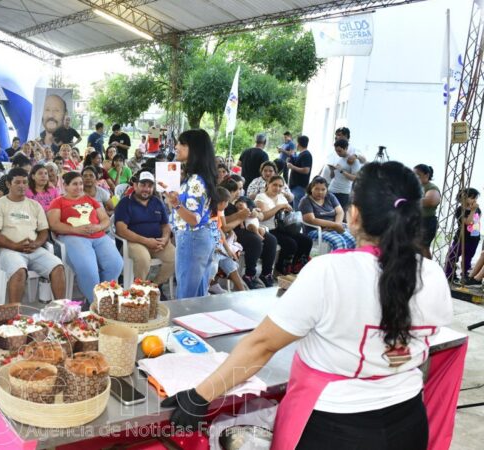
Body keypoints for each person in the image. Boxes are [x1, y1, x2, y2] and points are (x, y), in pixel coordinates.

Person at [164, 162, 452, 450]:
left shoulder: (331, 271)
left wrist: (200, 396)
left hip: (337, 429)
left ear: (354, 215)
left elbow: (261, 345)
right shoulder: (434, 275)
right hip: (409, 422)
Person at [0, 168, 66, 303]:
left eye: (24, 182)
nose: (22, 186)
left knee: (58, 267)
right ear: (8, 184)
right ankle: (14, 316)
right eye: (17, 182)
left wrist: (37, 244)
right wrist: (15, 246)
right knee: (19, 271)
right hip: (8, 249)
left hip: (33, 249)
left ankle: (62, 310)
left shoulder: (34, 205)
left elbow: (43, 231)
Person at [48, 171, 122, 304]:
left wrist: (98, 227)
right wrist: (75, 229)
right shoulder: (58, 202)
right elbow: (54, 225)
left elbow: (105, 219)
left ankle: (102, 295)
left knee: (116, 264)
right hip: (73, 237)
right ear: (65, 186)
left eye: (81, 184)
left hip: (98, 235)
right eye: (75, 184)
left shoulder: (90, 200)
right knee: (89, 269)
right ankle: (96, 303)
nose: (79, 187)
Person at [164, 129, 221, 299]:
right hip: (199, 238)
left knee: (187, 297)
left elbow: (193, 219)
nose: (176, 146)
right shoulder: (200, 177)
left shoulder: (196, 179)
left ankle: (184, 325)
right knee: (197, 295)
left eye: (182, 143)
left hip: (192, 238)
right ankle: (194, 324)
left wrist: (175, 204)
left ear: (194, 149)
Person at [114, 171, 174, 290]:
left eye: (150, 186)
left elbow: (165, 225)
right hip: (134, 242)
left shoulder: (157, 202)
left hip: (156, 242)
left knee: (174, 258)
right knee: (143, 259)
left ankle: (153, 287)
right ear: (135, 186)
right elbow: (121, 230)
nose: (146, 189)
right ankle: (139, 290)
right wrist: (146, 241)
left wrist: (165, 239)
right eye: (143, 185)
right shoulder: (125, 203)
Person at [221, 178, 277, 288]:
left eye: (241, 188)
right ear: (229, 191)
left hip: (246, 228)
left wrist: (255, 213)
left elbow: (259, 214)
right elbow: (223, 224)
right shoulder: (224, 203)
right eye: (237, 189)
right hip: (234, 231)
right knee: (255, 240)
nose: (240, 191)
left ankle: (266, 273)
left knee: (271, 240)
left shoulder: (242, 200)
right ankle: (249, 275)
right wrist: (240, 215)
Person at [256, 175, 312, 274]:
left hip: (283, 228)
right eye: (274, 185)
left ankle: (296, 266)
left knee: (307, 240)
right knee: (291, 243)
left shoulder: (281, 197)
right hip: (268, 228)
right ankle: (281, 268)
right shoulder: (261, 197)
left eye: (280, 186)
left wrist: (287, 210)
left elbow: (288, 213)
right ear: (268, 184)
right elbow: (264, 216)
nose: (277, 188)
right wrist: (279, 206)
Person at [299, 177, 356, 250]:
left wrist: (337, 224)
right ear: (311, 188)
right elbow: (311, 220)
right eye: (317, 189)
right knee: (339, 242)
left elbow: (340, 211)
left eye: (323, 189)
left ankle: (348, 260)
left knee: (353, 240)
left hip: (333, 228)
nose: (320, 192)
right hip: (316, 230)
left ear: (326, 190)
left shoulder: (330, 196)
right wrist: (334, 225)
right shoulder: (305, 201)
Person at [444, 188, 480, 281]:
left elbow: (474, 223)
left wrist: (474, 210)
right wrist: (472, 211)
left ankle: (464, 276)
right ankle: (450, 275)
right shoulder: (460, 210)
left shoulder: (477, 209)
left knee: (467, 259)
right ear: (463, 198)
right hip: (460, 238)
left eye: (475, 198)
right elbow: (467, 222)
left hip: (473, 238)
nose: (475, 200)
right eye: (472, 198)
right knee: (452, 256)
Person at [327, 139, 361, 212]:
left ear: (346, 148)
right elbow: (333, 176)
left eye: (339, 151)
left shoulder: (353, 161)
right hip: (332, 189)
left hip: (343, 192)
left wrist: (342, 171)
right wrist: (332, 170)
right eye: (336, 151)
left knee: (339, 215)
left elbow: (355, 178)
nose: (337, 153)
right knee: (329, 213)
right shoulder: (339, 159)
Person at [414, 164, 441, 258]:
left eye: (418, 175)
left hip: (427, 222)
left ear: (426, 175)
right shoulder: (415, 187)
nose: (415, 177)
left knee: (423, 247)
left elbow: (432, 201)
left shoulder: (431, 187)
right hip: (416, 222)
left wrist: (409, 201)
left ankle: (429, 269)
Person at [287, 135, 312, 209]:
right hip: (294, 185)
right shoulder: (300, 154)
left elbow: (306, 170)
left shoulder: (306, 155)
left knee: (297, 209)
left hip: (299, 186)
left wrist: (292, 167)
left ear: (299, 144)